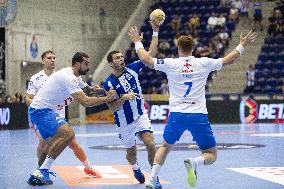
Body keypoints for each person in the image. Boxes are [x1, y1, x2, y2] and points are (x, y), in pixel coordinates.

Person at [128, 26, 257, 188]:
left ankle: (152, 179)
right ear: (193, 48)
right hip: (198, 115)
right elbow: (228, 60)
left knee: (165, 146)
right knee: (211, 154)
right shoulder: (204, 62)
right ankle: (195, 162)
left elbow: (146, 59)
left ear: (178, 48)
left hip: (177, 115)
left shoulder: (171, 63)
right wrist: (242, 45)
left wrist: (137, 42)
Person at [27, 52, 117, 186]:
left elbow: (89, 90)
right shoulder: (68, 77)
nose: (89, 66)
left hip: (44, 110)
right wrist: (107, 99)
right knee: (68, 134)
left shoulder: (76, 77)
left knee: (49, 143)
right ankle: (43, 171)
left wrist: (103, 91)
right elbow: (85, 101)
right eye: (86, 63)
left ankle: (39, 173)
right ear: (77, 64)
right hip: (41, 111)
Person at [102, 21, 160, 186]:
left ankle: (154, 178)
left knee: (150, 143)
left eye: (121, 56)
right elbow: (111, 107)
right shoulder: (109, 83)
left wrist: (155, 32)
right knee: (131, 154)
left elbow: (151, 54)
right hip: (124, 122)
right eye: (117, 58)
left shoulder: (133, 68)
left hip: (140, 116)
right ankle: (134, 167)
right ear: (111, 64)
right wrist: (124, 97)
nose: (121, 59)